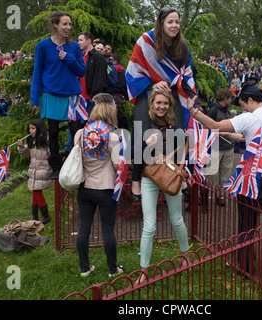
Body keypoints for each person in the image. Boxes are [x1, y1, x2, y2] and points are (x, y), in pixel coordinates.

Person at [186, 82, 262, 285]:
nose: (242, 109)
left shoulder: (250, 117)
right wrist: (223, 133)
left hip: (252, 180)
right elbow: (243, 136)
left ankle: (246, 268)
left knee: (247, 227)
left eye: (242, 105)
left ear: (250, 100)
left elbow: (214, 125)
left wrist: (192, 110)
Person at [126, 7, 200, 199]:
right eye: (170, 22)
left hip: (172, 92)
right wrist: (152, 83)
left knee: (179, 129)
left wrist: (193, 100)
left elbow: (186, 73)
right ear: (161, 23)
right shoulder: (145, 41)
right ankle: (136, 179)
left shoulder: (182, 46)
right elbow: (133, 71)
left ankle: (177, 173)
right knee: (142, 129)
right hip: (147, 90)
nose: (174, 26)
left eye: (177, 22)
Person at [137, 90, 189, 282]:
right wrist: (145, 143)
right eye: (158, 103)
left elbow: (183, 150)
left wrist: (183, 177)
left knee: (177, 220)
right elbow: (132, 154)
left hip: (170, 177)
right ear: (152, 103)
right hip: (149, 178)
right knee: (149, 226)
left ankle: (185, 255)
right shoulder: (143, 123)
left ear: (170, 105)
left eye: (165, 103)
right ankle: (144, 270)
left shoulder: (174, 124)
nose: (161, 106)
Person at [30, 11, 86, 180]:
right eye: (64, 24)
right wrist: (35, 98)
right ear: (55, 25)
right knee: (52, 133)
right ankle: (56, 167)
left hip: (72, 96)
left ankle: (79, 164)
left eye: (70, 24)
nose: (68, 28)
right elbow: (37, 73)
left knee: (76, 132)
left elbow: (81, 71)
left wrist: (69, 59)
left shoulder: (74, 46)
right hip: (52, 94)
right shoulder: (43, 46)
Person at [74, 93, 124, 278]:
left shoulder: (80, 134)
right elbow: (118, 165)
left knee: (83, 228)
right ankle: (113, 269)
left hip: (85, 186)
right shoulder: (112, 137)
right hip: (105, 187)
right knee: (108, 230)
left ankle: (84, 269)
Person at [17, 119, 53, 224]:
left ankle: (45, 216)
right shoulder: (31, 140)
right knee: (35, 190)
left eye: (33, 128)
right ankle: (35, 215)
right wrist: (21, 147)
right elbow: (27, 154)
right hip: (34, 170)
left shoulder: (46, 140)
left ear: (39, 129)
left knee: (37, 191)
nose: (30, 131)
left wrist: (50, 166)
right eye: (29, 129)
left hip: (43, 170)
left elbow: (52, 154)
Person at [206, 88, 235, 205]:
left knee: (226, 173)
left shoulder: (227, 111)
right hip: (215, 147)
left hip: (229, 147)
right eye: (230, 98)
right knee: (212, 173)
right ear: (224, 99)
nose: (231, 100)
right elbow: (207, 127)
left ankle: (221, 196)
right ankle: (210, 194)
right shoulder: (213, 111)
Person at [82, 31, 108, 113]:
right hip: (79, 96)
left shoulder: (98, 56)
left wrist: (95, 96)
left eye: (81, 40)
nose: (78, 42)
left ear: (89, 41)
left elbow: (100, 78)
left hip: (91, 97)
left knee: (92, 123)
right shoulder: (81, 55)